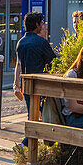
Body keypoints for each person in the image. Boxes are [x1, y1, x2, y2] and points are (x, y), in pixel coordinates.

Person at [14, 12, 57, 145]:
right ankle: (35, 144)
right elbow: (54, 62)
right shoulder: (41, 42)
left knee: (31, 115)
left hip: (27, 85)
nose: (43, 25)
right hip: (41, 85)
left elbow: (19, 64)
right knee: (46, 115)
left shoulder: (20, 43)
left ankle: (28, 144)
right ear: (37, 24)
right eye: (42, 23)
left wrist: (16, 83)